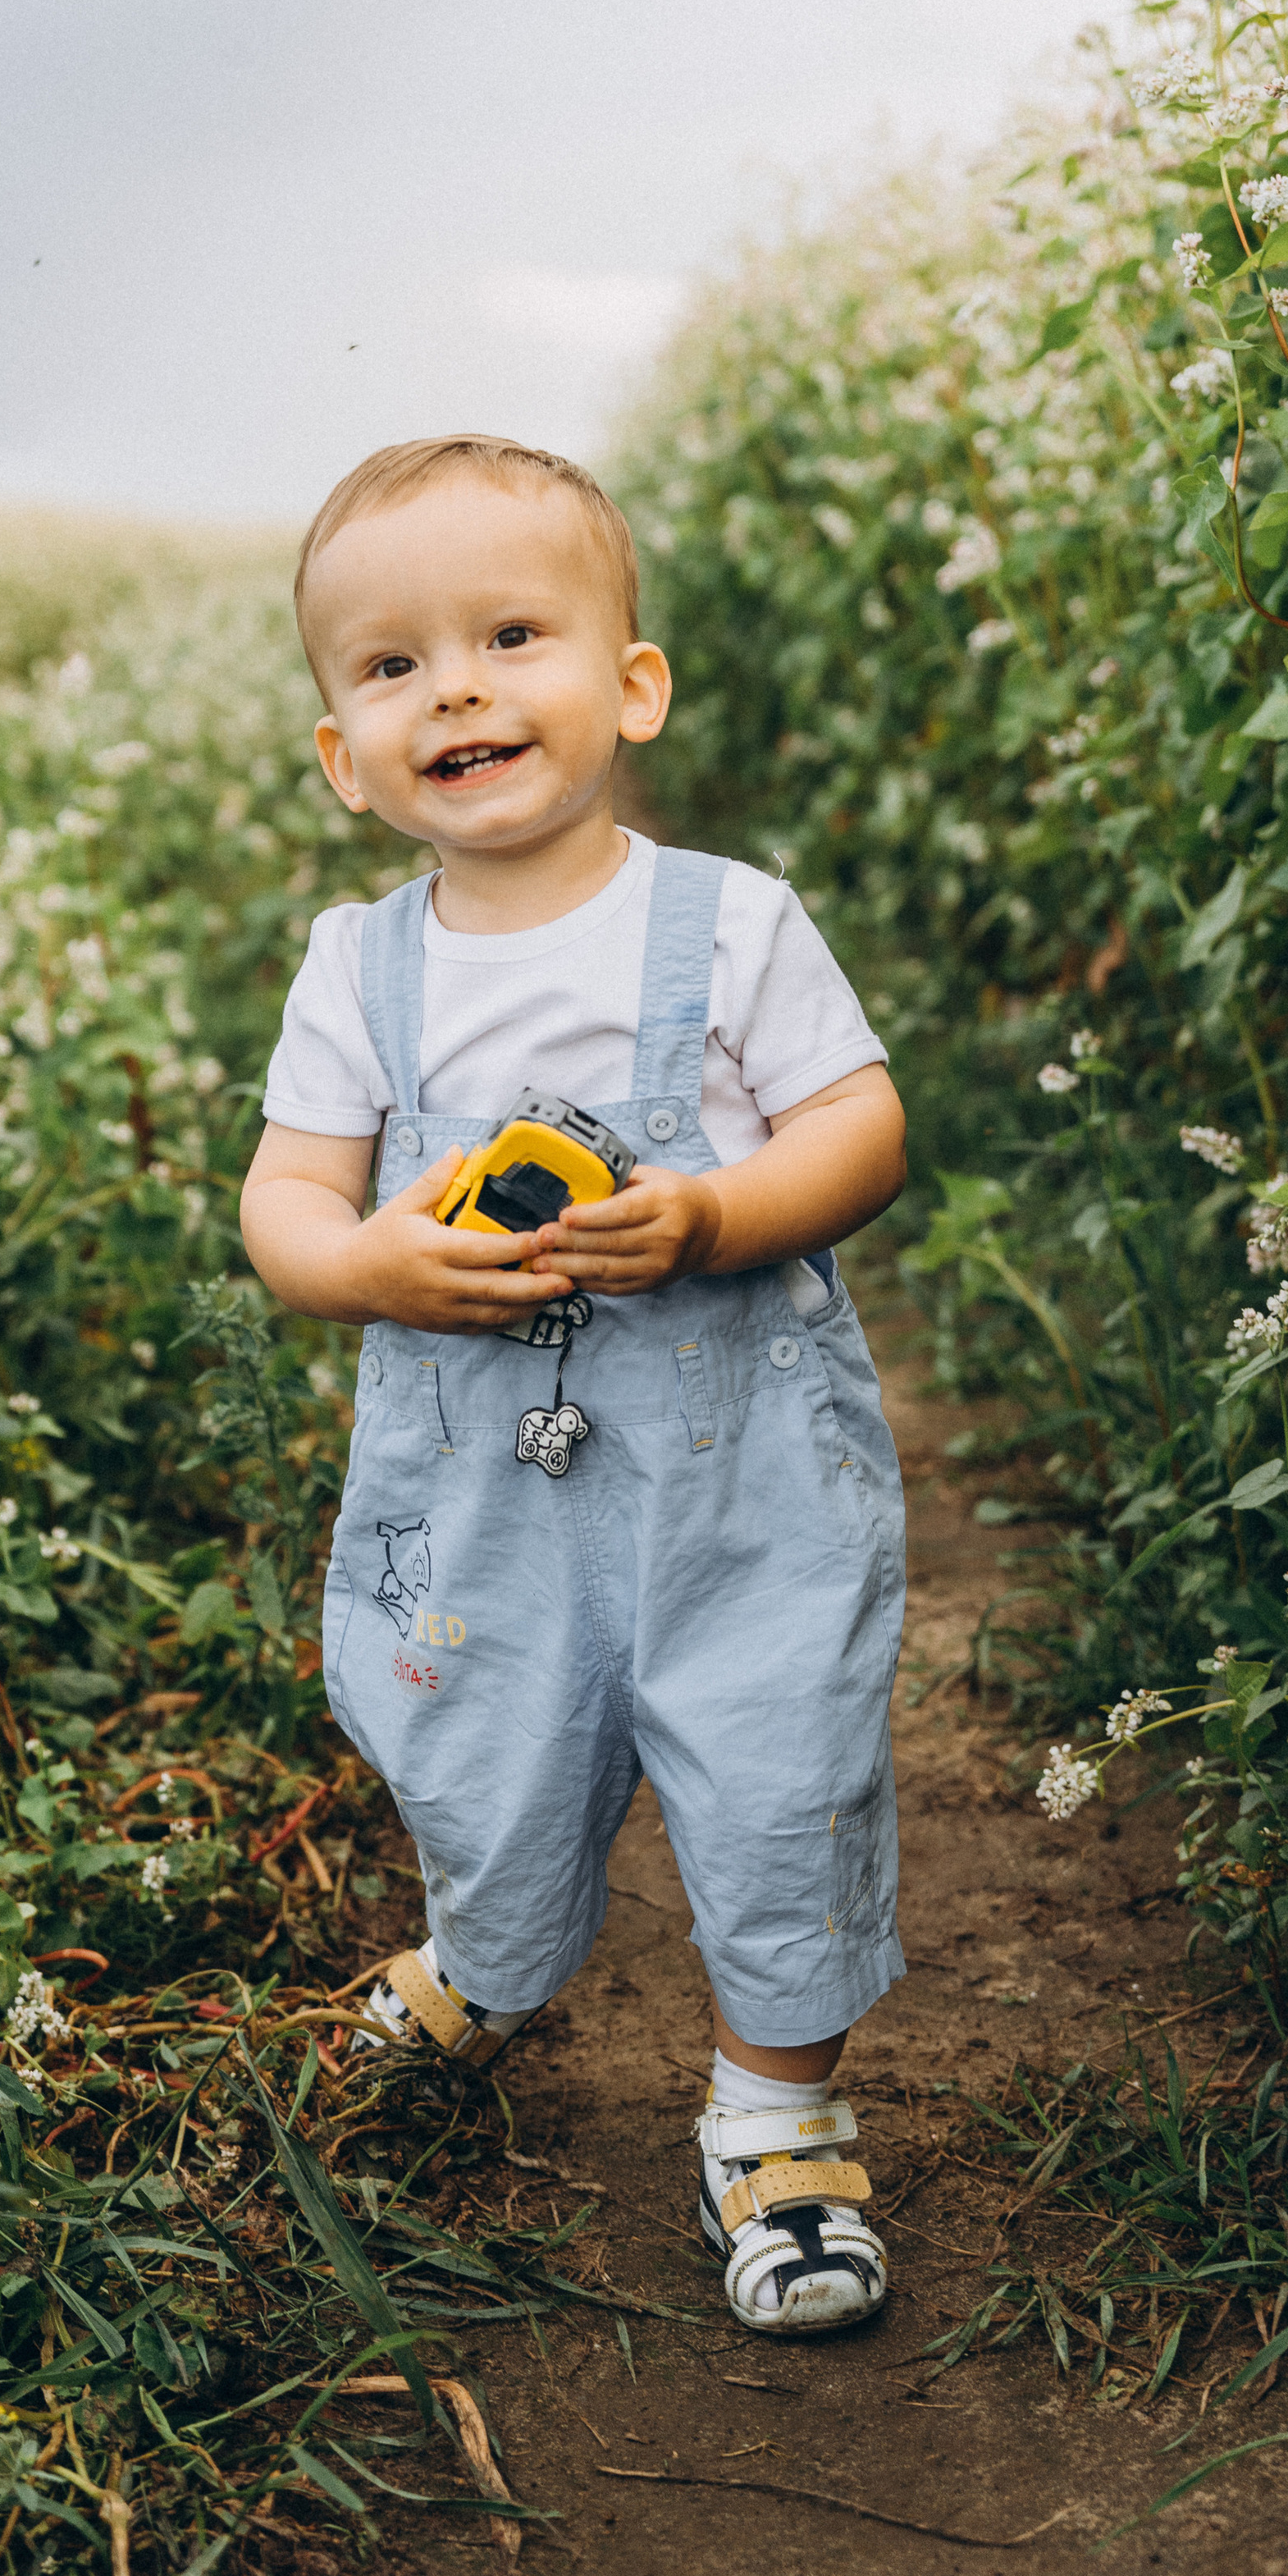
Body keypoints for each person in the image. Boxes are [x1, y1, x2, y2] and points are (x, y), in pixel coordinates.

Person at [239, 434, 911, 2336]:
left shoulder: (727, 923)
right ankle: (486, 1950)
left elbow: (856, 1134)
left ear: (628, 688)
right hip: (479, 1486)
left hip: (738, 1476)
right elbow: (286, 1198)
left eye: (510, 635)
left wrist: (712, 1215)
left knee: (777, 1770)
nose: (452, 685)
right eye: (387, 667)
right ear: (343, 761)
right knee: (477, 1742)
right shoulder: (355, 969)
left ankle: (776, 2125)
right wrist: (361, 1260)